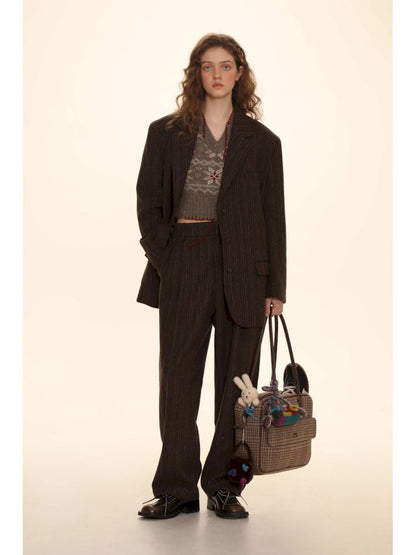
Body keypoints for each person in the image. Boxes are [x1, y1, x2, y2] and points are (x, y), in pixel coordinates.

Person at [135, 33, 286, 519]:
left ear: (239, 73)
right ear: (195, 73)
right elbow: (148, 204)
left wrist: (276, 287)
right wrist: (169, 260)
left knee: (237, 387)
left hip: (246, 272)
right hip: (185, 261)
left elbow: (274, 217)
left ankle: (225, 486)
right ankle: (175, 487)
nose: (216, 75)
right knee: (178, 381)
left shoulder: (263, 143)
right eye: (207, 66)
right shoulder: (165, 133)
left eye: (225, 66)